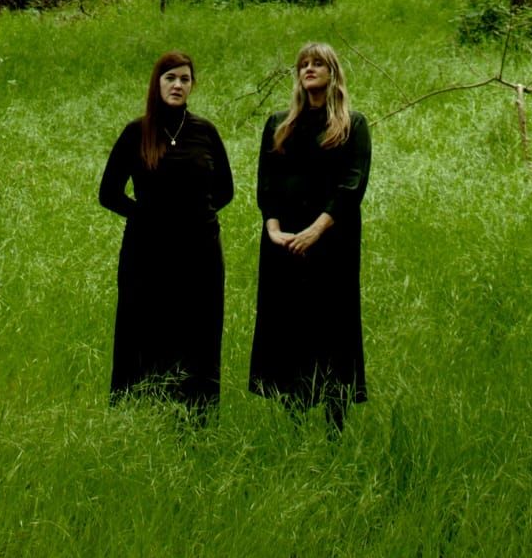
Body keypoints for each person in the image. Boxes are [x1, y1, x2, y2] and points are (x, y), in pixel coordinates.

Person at [99, 50, 234, 412]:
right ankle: (138, 411)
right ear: (157, 83)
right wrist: (148, 218)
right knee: (143, 328)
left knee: (198, 331)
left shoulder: (205, 131)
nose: (177, 85)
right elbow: (108, 193)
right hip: (147, 252)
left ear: (192, 86)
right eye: (170, 78)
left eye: (185, 79)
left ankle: (196, 416)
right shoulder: (136, 132)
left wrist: (193, 219)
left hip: (200, 251)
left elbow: (225, 191)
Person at [249, 42, 371, 434]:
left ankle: (336, 423)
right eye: (303, 64)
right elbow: (266, 181)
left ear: (333, 72)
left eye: (317, 63)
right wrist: (274, 229)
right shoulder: (279, 123)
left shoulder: (353, 124)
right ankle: (295, 419)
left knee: (332, 326)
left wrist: (318, 229)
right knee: (289, 326)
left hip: (332, 243)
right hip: (284, 244)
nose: (309, 69)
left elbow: (353, 184)